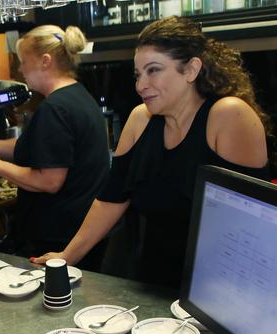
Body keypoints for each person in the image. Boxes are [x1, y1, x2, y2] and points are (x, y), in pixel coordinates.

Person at [32, 16, 271, 289]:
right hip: (153, 282)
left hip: (218, 286)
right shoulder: (140, 120)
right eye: (138, 74)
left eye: (153, 70)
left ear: (191, 70)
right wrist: (66, 257)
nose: (140, 85)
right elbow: (111, 199)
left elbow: (251, 224)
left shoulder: (228, 116)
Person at [0, 25, 110, 270]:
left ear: (45, 61)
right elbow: (33, 148)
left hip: (59, 237)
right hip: (78, 229)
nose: (20, 69)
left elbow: (49, 181)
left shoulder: (54, 109)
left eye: (23, 61)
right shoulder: (77, 95)